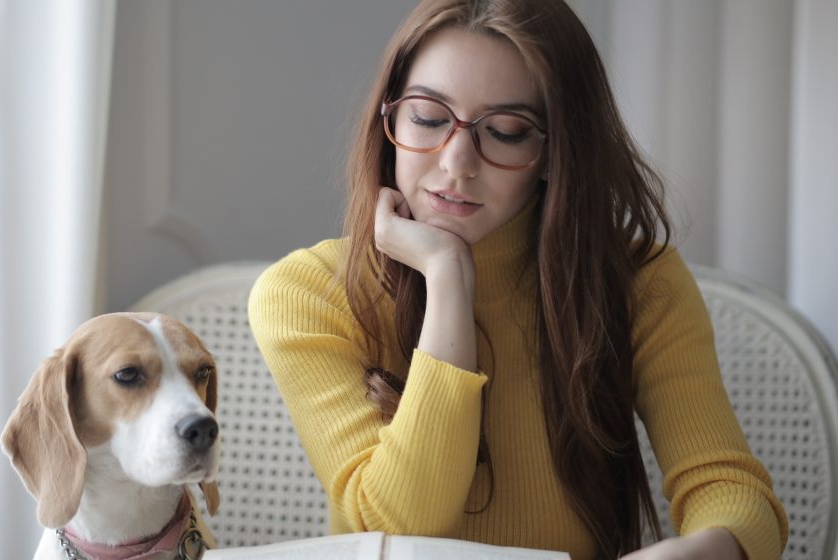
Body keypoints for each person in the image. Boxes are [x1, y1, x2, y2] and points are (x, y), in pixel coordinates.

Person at [248, 1, 788, 559]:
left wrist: (711, 548)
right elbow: (396, 526)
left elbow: (732, 492)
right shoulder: (306, 293)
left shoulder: (639, 284)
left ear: (555, 150)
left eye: (505, 132)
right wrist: (448, 278)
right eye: (429, 118)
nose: (457, 162)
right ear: (389, 122)